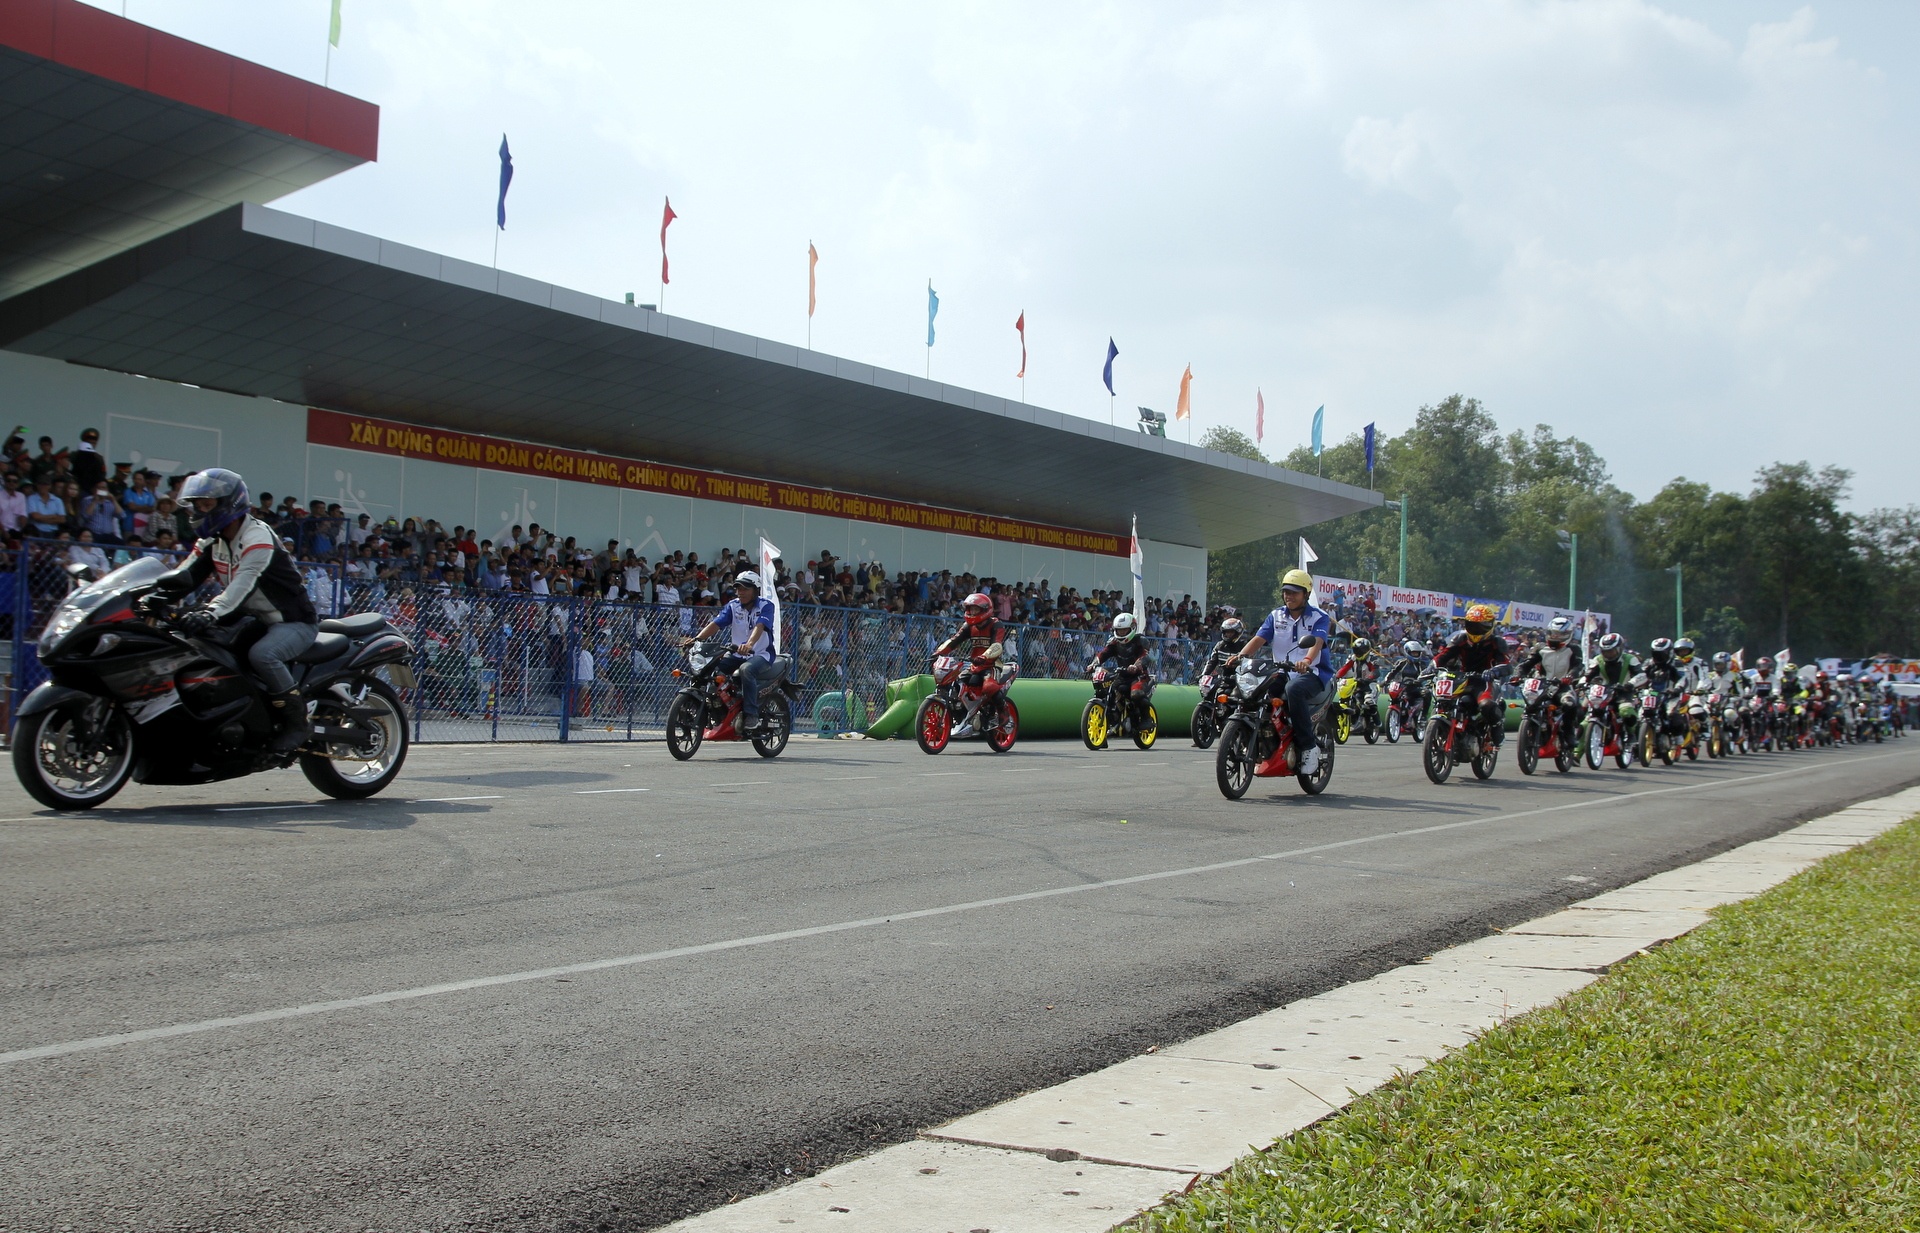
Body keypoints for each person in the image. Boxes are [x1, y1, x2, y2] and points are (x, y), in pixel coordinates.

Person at [154, 468, 319, 751]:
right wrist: (150, 597)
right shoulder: (212, 539)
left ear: (229, 504)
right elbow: (186, 575)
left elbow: (241, 585)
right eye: (198, 506)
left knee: (263, 655)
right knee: (199, 643)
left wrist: (209, 612)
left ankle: (297, 723)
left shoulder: (257, 537)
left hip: (293, 621)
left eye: (207, 505)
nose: (200, 511)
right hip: (253, 619)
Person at [1226, 568, 1333, 774]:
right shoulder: (1276, 615)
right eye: (1286, 592)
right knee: (1254, 689)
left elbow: (1317, 642)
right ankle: (1259, 735)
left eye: (1294, 592)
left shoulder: (1319, 617)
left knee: (1294, 689)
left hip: (1313, 673)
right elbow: (1260, 638)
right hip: (1281, 671)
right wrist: (1240, 655)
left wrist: (1306, 660)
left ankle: (1308, 747)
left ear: (1306, 594)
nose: (1288, 596)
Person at [682, 571, 783, 734]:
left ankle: (751, 714)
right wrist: (697, 639)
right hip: (736, 654)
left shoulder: (766, 606)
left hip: (761, 654)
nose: (740, 592)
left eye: (745, 589)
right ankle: (716, 707)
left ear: (756, 590)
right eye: (738, 588)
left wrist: (749, 644)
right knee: (710, 670)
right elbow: (716, 624)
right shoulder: (733, 606)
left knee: (746, 670)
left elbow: (760, 626)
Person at [932, 591, 1011, 737]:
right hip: (974, 665)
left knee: (989, 686)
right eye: (970, 609)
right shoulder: (968, 626)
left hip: (992, 664)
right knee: (957, 685)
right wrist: (938, 653)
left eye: (975, 609)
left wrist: (984, 656)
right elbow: (954, 640)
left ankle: (1003, 712)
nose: (972, 612)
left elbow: (997, 645)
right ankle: (962, 715)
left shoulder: (996, 624)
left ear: (985, 609)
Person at [1433, 602, 1512, 745]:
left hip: (1484, 681)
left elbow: (1507, 665)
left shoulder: (1497, 642)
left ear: (1490, 625)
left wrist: (1494, 671)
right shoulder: (1460, 639)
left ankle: (1497, 726)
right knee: (1444, 700)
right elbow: (1443, 656)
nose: (1476, 630)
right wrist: (1431, 667)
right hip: (1461, 678)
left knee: (1486, 705)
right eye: (1472, 625)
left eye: (1480, 627)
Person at [1090, 609, 1155, 716]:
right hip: (1121, 675)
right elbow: (1103, 653)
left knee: (1136, 694)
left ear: (1132, 628)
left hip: (1139, 676)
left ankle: (1146, 718)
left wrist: (1135, 666)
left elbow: (1144, 656)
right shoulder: (1114, 642)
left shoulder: (1140, 640)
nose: (1121, 632)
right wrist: (1093, 664)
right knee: (1110, 689)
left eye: (1124, 630)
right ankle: (1115, 713)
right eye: (1119, 630)